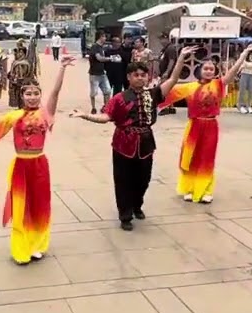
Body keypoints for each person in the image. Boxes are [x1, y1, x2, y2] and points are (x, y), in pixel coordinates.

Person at [0, 55, 75, 264]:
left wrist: (62, 68)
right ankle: (21, 249)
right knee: (20, 208)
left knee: (40, 206)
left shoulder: (46, 114)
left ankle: (37, 245)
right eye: (29, 93)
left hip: (40, 165)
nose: (33, 97)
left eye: (36, 93)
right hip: (21, 166)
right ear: (22, 95)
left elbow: (55, 92)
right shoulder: (14, 116)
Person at [71, 46, 196, 230]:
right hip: (123, 143)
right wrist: (85, 115)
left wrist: (181, 59)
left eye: (143, 75)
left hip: (146, 142)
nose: (140, 77)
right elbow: (106, 118)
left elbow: (173, 79)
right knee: (123, 181)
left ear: (147, 77)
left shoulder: (153, 94)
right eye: (136, 75)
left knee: (143, 179)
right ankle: (125, 215)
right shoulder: (119, 98)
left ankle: (137, 205)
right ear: (129, 77)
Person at [165, 44, 252, 203]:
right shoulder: (190, 87)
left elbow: (232, 72)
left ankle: (206, 190)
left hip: (211, 127)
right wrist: (181, 57)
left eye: (212, 69)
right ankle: (189, 188)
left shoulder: (218, 84)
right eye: (206, 68)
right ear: (199, 71)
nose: (209, 71)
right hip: (194, 126)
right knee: (191, 157)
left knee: (206, 158)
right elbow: (172, 80)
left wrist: (244, 54)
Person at [87, 32, 113, 114]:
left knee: (108, 91)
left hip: (102, 73)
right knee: (94, 92)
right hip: (94, 74)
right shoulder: (95, 47)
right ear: (100, 37)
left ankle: (106, 107)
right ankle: (93, 107)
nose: (105, 38)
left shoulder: (101, 47)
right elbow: (99, 58)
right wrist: (110, 59)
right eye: (104, 37)